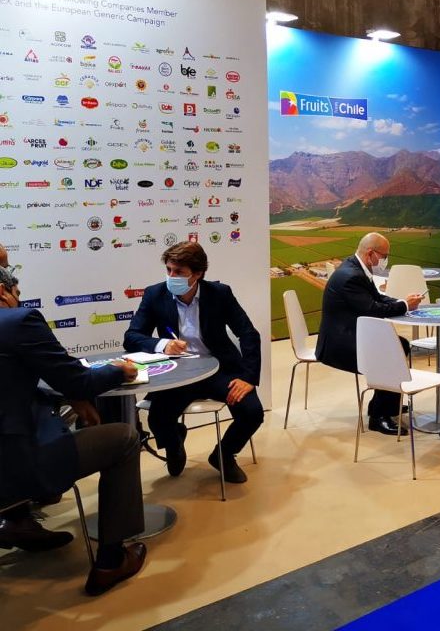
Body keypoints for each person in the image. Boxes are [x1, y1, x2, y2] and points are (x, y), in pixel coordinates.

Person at [0, 266, 147, 596]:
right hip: (15, 464)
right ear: (2, 292)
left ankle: (17, 522)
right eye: (17, 294)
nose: (19, 301)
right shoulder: (18, 321)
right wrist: (118, 370)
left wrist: (73, 397)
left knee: (61, 414)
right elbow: (77, 380)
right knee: (124, 438)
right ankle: (111, 561)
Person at [124, 241, 263, 484]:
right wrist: (162, 344)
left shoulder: (220, 294)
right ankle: (174, 444)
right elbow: (132, 336)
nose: (171, 276)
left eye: (179, 271)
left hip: (219, 368)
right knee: (157, 418)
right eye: (169, 269)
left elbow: (248, 334)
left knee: (251, 412)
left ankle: (223, 455)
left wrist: (249, 377)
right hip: (179, 372)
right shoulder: (155, 294)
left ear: (197, 273)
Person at [316, 233, 423, 435]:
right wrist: (405, 305)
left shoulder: (355, 268)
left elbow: (376, 298)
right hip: (339, 344)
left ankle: (384, 405)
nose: (385, 260)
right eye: (384, 256)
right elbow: (372, 309)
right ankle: (379, 416)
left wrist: (402, 302)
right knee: (393, 349)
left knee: (398, 344)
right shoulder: (351, 276)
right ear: (370, 253)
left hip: (349, 334)